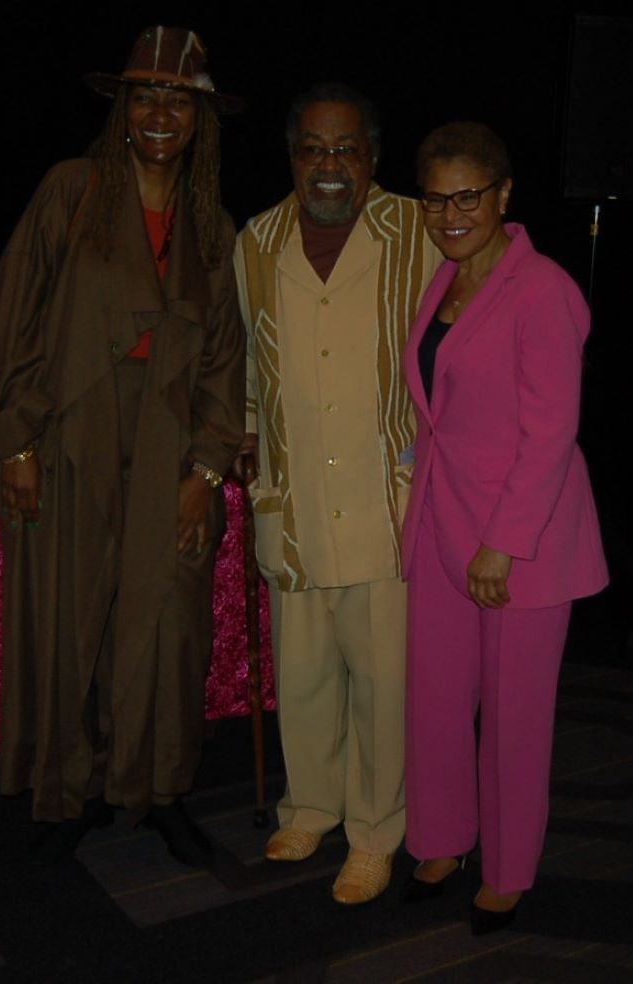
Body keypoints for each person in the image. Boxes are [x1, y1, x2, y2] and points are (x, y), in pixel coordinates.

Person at [0, 27, 245, 864]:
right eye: (146, 96)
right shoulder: (73, 191)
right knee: (69, 613)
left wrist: (206, 468)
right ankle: (69, 793)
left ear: (200, 117)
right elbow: (14, 316)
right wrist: (17, 441)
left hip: (169, 444)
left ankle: (157, 789)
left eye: (180, 99)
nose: (162, 112)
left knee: (169, 621)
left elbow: (225, 360)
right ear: (123, 109)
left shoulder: (214, 227)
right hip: (70, 432)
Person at [234, 83, 441, 904]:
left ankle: (375, 831)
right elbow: (252, 364)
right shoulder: (257, 241)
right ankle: (310, 805)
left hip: (386, 497)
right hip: (292, 495)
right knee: (307, 668)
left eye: (345, 149)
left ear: (374, 157)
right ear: (291, 156)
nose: (329, 166)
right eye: (313, 149)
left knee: (383, 682)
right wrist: (249, 435)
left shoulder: (414, 233)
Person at [401, 121, 608, 932]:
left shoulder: (545, 288)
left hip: (521, 539)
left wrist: (503, 542)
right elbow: (443, 408)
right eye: (435, 198)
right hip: (441, 522)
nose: (451, 213)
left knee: (515, 712)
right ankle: (444, 836)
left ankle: (510, 864)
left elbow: (551, 430)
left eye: (468, 196)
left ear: (503, 195)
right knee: (438, 699)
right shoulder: (440, 282)